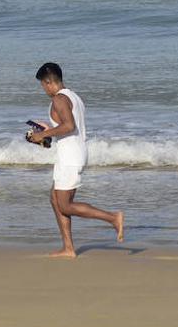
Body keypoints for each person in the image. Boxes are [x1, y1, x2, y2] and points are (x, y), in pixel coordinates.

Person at [26, 62, 124, 257]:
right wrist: (48, 130)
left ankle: (113, 218)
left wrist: (40, 136)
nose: (43, 89)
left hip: (70, 157)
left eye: (42, 85)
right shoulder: (74, 97)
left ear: (48, 82)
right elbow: (67, 124)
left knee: (65, 205)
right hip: (72, 153)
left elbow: (69, 126)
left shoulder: (59, 100)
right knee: (55, 199)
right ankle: (69, 248)